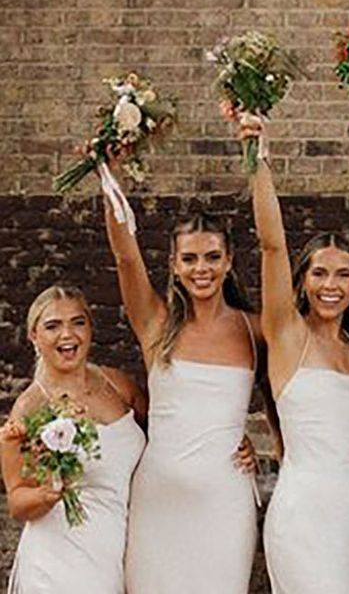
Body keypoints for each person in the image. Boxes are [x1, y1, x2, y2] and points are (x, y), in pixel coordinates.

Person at [102, 187, 263, 594]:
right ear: (174, 265)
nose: (201, 268)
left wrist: (273, 446)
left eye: (212, 257)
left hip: (224, 500)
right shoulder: (155, 322)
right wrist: (108, 177)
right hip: (160, 497)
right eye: (189, 259)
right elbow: (125, 256)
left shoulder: (254, 329)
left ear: (229, 261)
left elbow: (288, 395)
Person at [240, 116, 349, 594]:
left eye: (342, 275)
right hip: (304, 517)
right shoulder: (288, 335)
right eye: (319, 273)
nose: (330, 285)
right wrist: (259, 157)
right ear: (301, 282)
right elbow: (272, 245)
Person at [2, 286, 146, 594]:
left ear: (90, 328)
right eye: (53, 326)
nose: (67, 334)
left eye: (77, 322)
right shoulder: (30, 408)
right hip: (59, 561)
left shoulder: (118, 385)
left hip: (115, 549)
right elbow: (17, 501)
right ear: (34, 336)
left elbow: (162, 434)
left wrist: (233, 443)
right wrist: (46, 495)